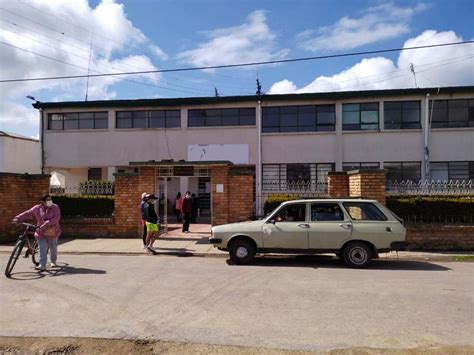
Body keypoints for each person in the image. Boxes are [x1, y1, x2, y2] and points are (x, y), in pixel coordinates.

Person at [12, 194, 61, 271]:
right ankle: (42, 264)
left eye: (50, 199)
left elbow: (57, 218)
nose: (50, 201)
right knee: (41, 249)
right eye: (47, 200)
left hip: (52, 231)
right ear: (42, 202)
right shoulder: (37, 208)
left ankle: (53, 261)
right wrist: (18, 218)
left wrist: (47, 223)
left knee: (53, 248)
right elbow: (28, 213)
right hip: (41, 231)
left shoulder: (55, 207)